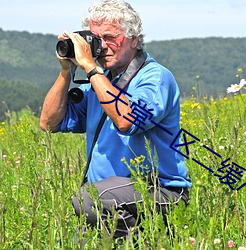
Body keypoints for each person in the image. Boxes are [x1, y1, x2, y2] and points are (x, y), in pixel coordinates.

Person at [40, 0, 192, 244]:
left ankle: (146, 241)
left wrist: (90, 67)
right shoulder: (99, 83)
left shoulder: (154, 77)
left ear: (133, 39)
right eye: (96, 39)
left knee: (88, 199)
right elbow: (49, 123)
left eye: (110, 37)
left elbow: (127, 121)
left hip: (160, 191)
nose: (102, 47)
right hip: (110, 199)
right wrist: (66, 70)